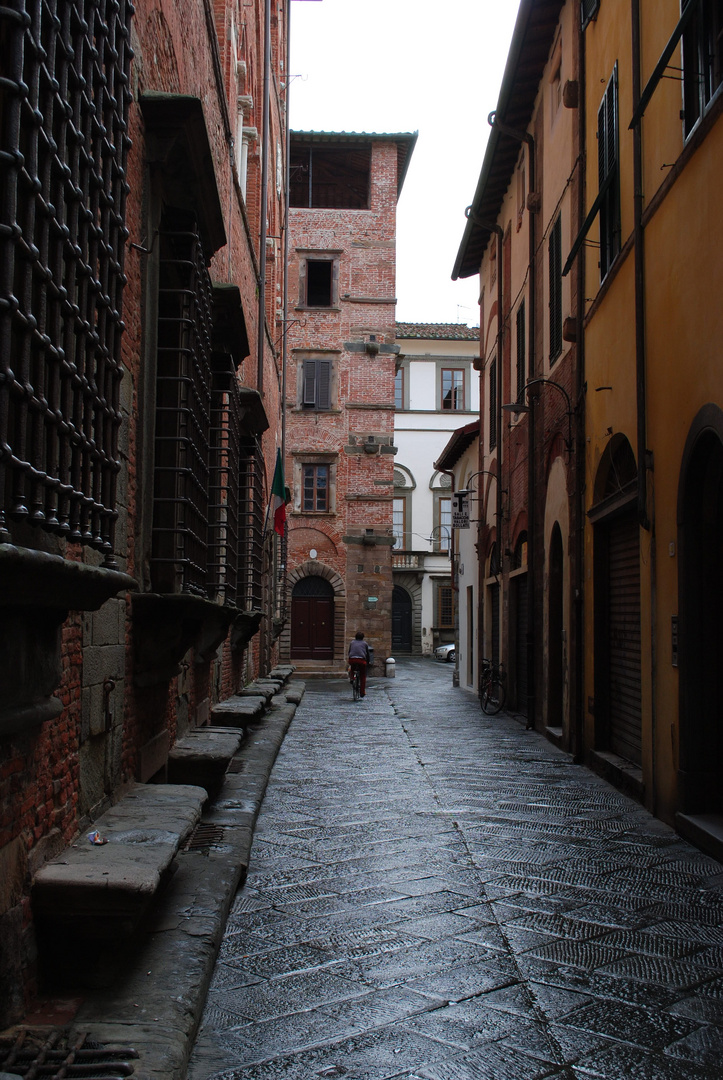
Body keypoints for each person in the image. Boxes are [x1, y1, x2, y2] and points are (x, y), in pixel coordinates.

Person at [348, 631, 371, 697]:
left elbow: (349, 651)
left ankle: (352, 678)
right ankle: (362, 692)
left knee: (352, 668)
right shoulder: (365, 643)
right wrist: (368, 662)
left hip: (352, 659)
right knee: (363, 676)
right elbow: (367, 654)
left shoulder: (352, 642)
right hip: (361, 660)